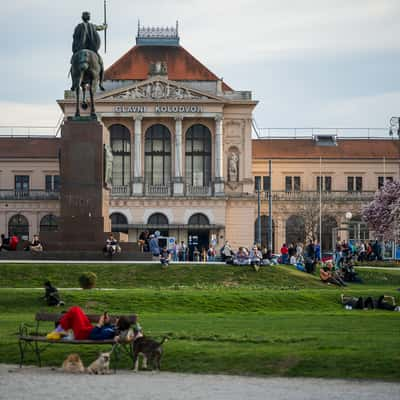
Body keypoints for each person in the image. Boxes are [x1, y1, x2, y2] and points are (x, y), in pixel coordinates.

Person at [48, 307, 132, 341]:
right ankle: (63, 330)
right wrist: (106, 322)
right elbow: (103, 329)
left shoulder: (110, 332)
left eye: (118, 319)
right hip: (88, 329)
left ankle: (59, 330)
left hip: (83, 334)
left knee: (75, 310)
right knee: (78, 311)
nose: (116, 318)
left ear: (120, 324)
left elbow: (93, 336)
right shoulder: (113, 328)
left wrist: (100, 324)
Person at [72, 11, 107, 90]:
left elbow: (74, 37)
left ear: (82, 18)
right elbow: (100, 27)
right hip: (92, 49)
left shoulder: (78, 27)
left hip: (80, 49)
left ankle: (74, 83)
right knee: (101, 63)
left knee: (73, 63)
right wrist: (105, 26)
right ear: (89, 18)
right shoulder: (92, 26)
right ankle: (101, 83)